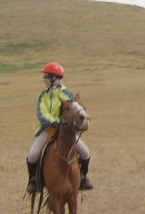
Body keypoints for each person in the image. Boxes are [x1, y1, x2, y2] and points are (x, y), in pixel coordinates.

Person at [25, 62, 94, 194]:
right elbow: (41, 113)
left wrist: (81, 119)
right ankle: (33, 181)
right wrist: (56, 122)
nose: (44, 79)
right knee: (32, 155)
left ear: (54, 78)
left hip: (67, 131)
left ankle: (83, 178)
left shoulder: (68, 94)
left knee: (85, 152)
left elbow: (76, 110)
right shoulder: (43, 95)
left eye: (46, 76)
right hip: (48, 130)